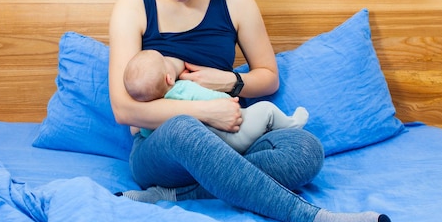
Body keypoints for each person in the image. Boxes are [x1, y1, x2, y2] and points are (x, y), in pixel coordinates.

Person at [108, 0, 391, 222]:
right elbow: (124, 109)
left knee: (306, 149)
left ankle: (180, 195)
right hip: (162, 149)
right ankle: (320, 220)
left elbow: (268, 76)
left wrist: (231, 81)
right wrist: (205, 110)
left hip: (231, 133)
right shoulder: (133, 5)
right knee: (183, 128)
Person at [123, 49, 309, 153]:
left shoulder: (151, 119)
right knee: (266, 109)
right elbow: (219, 105)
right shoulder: (184, 88)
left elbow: (142, 132)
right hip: (232, 131)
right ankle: (291, 124)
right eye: (166, 61)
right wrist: (228, 100)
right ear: (169, 79)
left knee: (301, 151)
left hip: (209, 149)